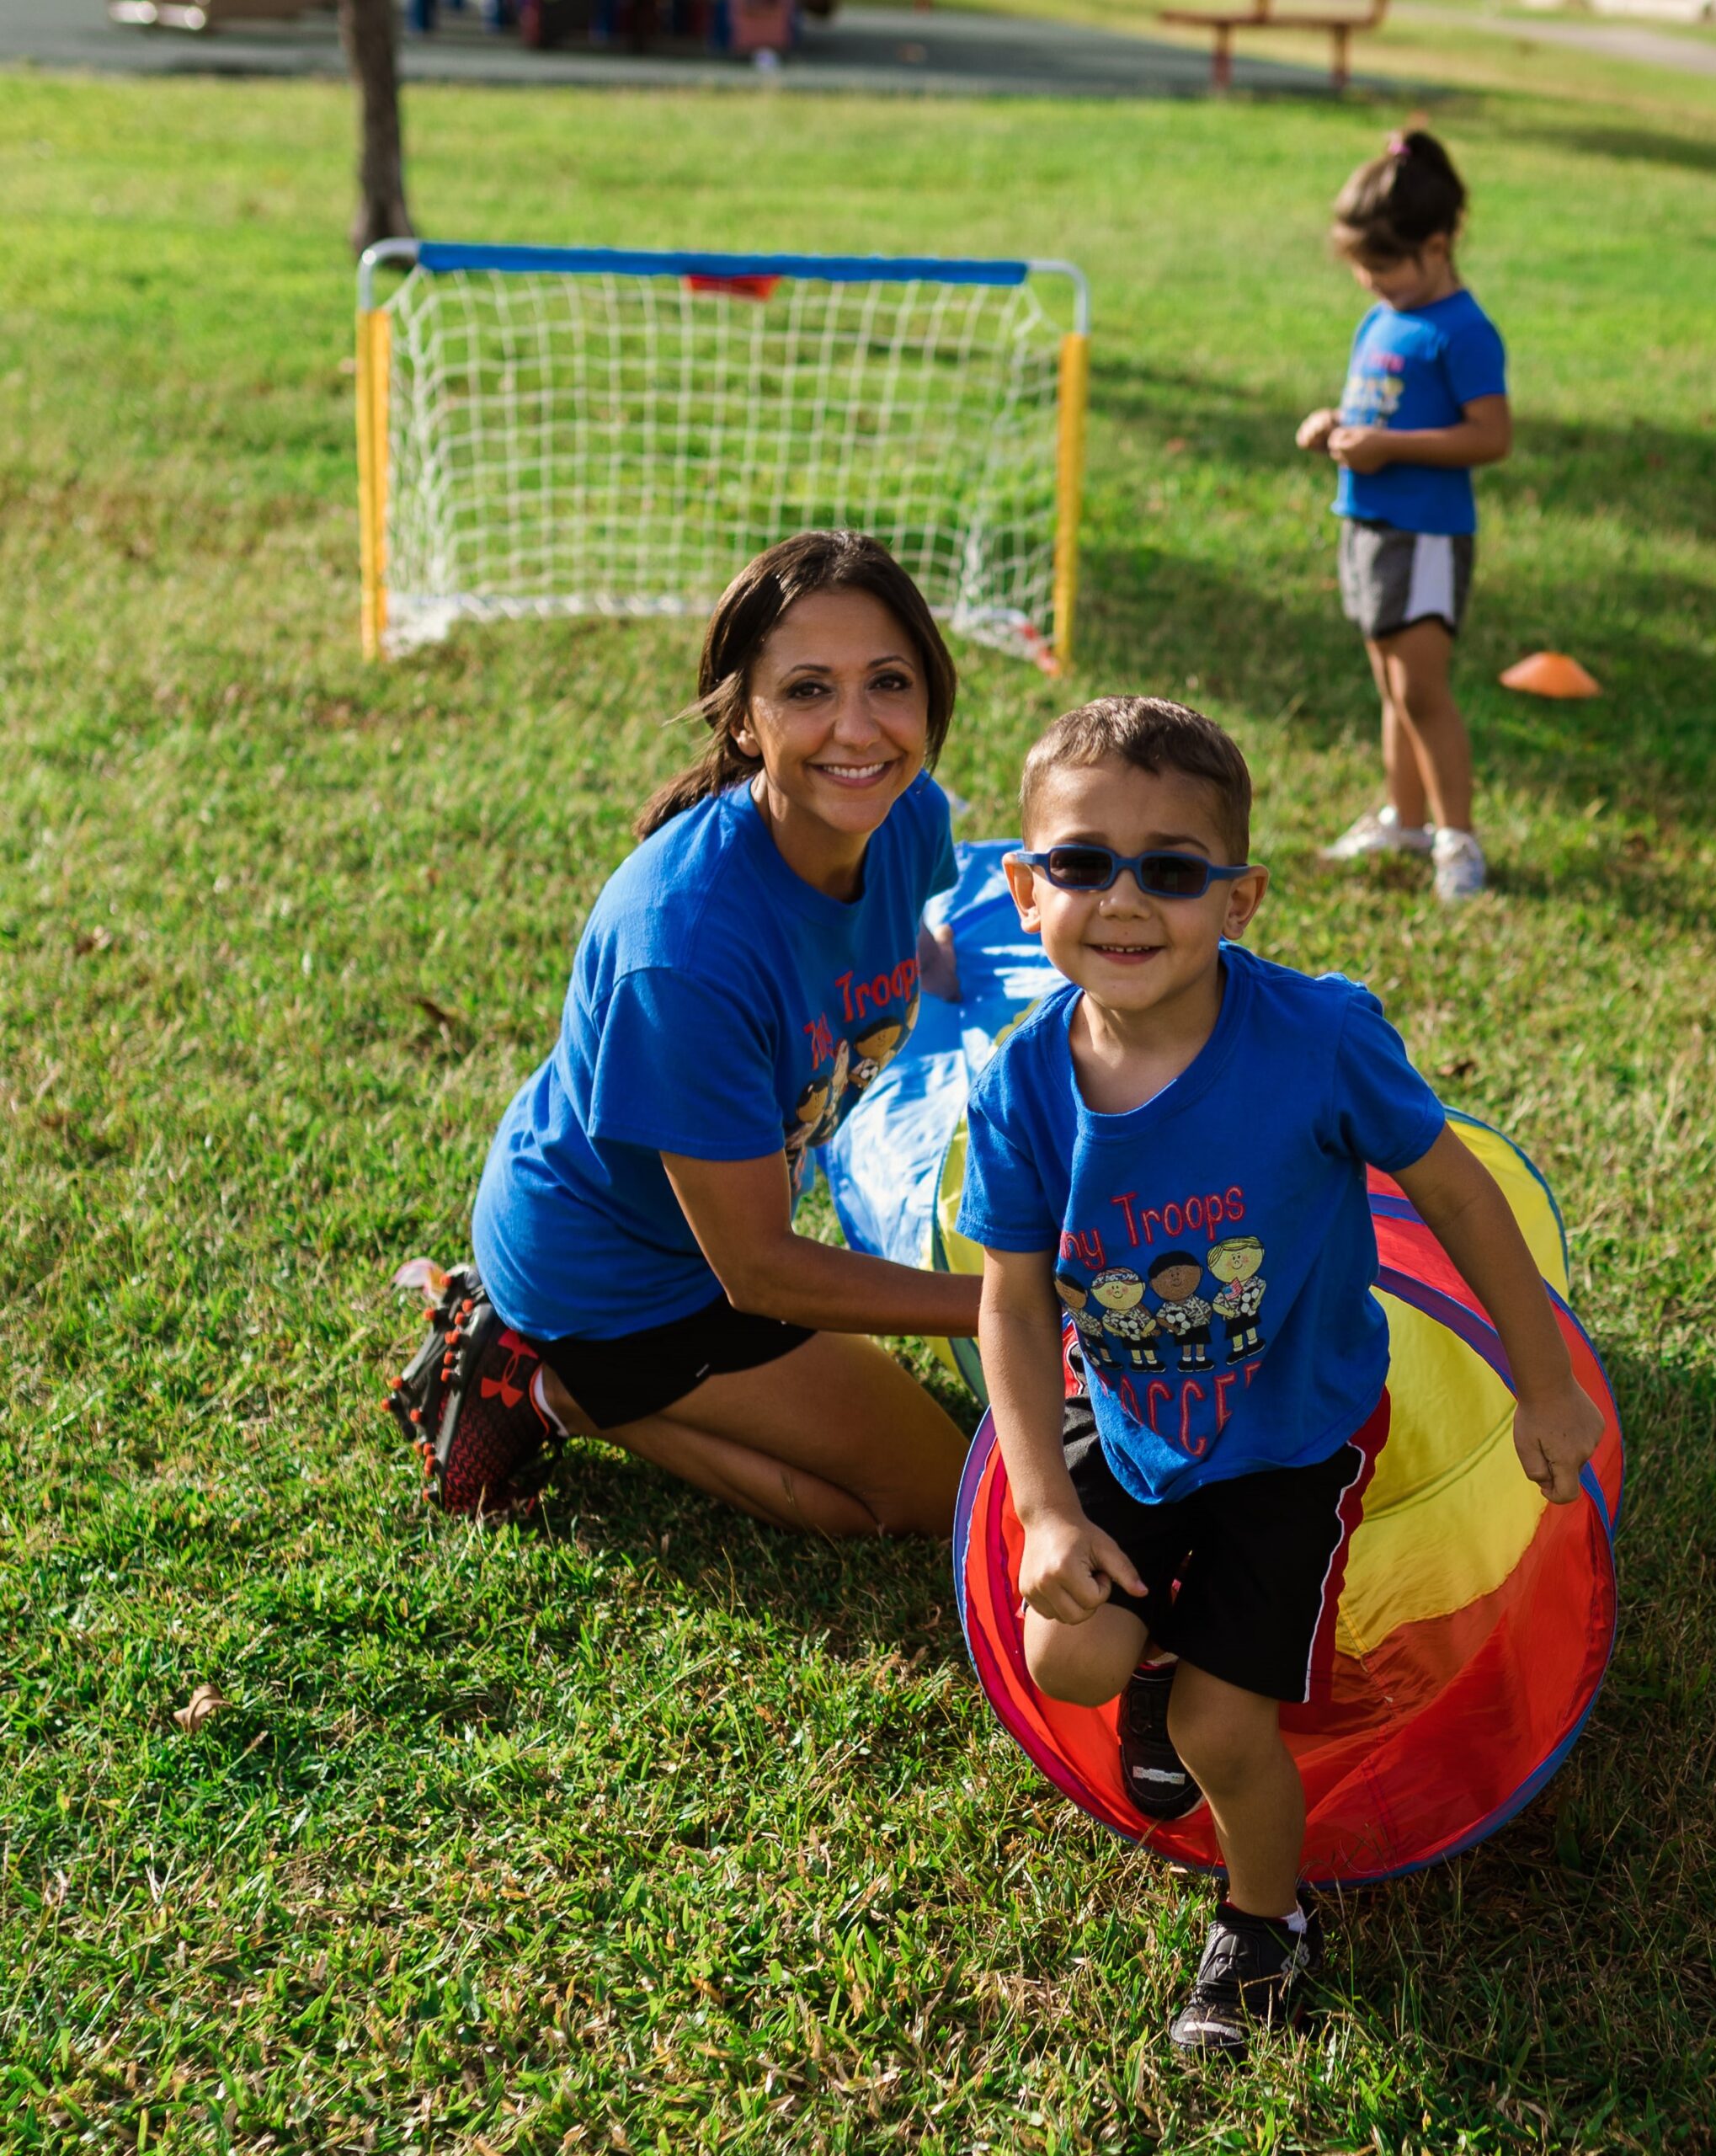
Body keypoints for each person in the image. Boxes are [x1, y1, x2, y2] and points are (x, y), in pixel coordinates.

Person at [956, 697, 1602, 2052]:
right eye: (1080, 863)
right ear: (1022, 890)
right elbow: (1009, 1300)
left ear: (1236, 897)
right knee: (1071, 1659)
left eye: (1172, 870)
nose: (1123, 900)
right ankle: (1149, 1657)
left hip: (1293, 1438)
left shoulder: (1314, 1040)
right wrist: (1045, 1508)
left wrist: (1543, 1388)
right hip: (1124, 1420)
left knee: (1221, 1731)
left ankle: (1261, 1922)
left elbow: (1464, 1201)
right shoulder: (1019, 1087)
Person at [391, 531, 980, 1530]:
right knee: (923, 1499)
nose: (857, 726)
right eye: (805, 690)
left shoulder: (909, 815)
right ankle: (538, 1379)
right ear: (744, 721)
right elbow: (756, 1271)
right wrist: (1002, 1301)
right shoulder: (684, 946)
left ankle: (591, 1380)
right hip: (617, 1275)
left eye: (889, 682)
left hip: (709, 1248)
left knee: (924, 1479)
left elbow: (905, 936)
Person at [1298, 128, 1511, 902]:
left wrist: (1387, 447)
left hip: (1423, 533)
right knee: (1391, 687)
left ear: (1439, 242)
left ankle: (1458, 839)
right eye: (1360, 264)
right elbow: (1377, 407)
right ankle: (1405, 818)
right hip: (1367, 523)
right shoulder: (1383, 317)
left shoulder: (1461, 329)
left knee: (1423, 690)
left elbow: (1491, 435)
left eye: (1383, 264)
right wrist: (1336, 425)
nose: (1368, 279)